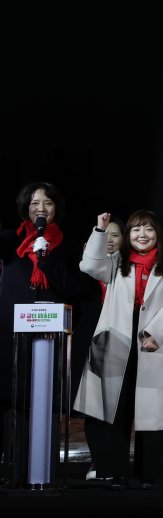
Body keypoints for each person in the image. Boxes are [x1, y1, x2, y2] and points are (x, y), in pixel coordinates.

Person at [73, 210, 163, 490]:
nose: (142, 235)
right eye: (136, 230)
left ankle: (147, 475)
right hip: (115, 341)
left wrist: (155, 332)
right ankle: (114, 472)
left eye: (148, 229)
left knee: (150, 413)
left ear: (157, 235)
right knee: (115, 410)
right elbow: (89, 265)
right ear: (128, 236)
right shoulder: (115, 262)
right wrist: (100, 231)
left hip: (151, 343)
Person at [0, 182, 83, 480]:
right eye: (35, 203)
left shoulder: (68, 246)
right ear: (26, 208)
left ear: (56, 209)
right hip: (13, 337)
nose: (41, 209)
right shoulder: (10, 241)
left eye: (47, 203)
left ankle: (44, 470)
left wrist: (45, 261)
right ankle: (13, 468)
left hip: (51, 339)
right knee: (14, 401)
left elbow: (74, 287)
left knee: (46, 402)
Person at [72, 216, 124, 481]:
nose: (110, 240)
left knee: (115, 407)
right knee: (92, 407)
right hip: (88, 340)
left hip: (118, 341)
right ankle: (97, 461)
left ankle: (114, 461)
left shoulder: (128, 271)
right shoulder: (84, 272)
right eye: (106, 235)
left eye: (115, 235)